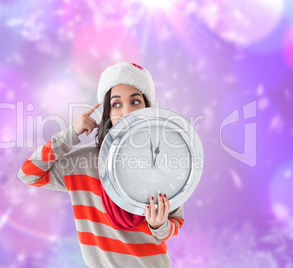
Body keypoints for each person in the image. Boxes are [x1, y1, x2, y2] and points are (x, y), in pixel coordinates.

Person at [18, 62, 184, 267]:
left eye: (135, 102)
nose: (126, 112)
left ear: (147, 108)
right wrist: (72, 133)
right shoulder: (82, 164)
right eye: (116, 104)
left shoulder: (163, 162)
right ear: (108, 113)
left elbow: (176, 221)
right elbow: (29, 173)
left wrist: (159, 225)